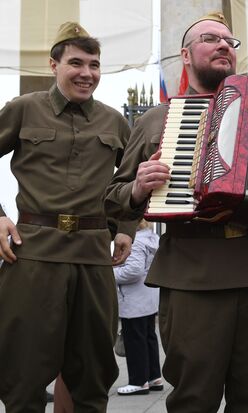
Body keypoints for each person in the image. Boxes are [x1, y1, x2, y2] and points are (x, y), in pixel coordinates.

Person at [103, 12, 248, 412]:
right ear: (185, 55)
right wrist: (137, 187)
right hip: (193, 279)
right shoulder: (159, 119)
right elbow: (111, 197)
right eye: (211, 38)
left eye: (230, 42)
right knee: (193, 401)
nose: (224, 45)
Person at [0, 22, 135, 412]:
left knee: (93, 375)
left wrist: (125, 228)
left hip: (94, 259)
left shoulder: (114, 122)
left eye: (94, 65)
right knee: (22, 375)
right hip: (33, 255)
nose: (87, 73)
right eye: (76, 63)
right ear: (53, 65)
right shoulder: (25, 109)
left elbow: (132, 178)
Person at [115, 219, 163, 396]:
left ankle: (138, 381)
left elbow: (133, 271)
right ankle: (154, 377)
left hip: (133, 299)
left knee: (134, 340)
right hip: (148, 297)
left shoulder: (135, 241)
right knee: (149, 338)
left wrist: (108, 272)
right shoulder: (152, 238)